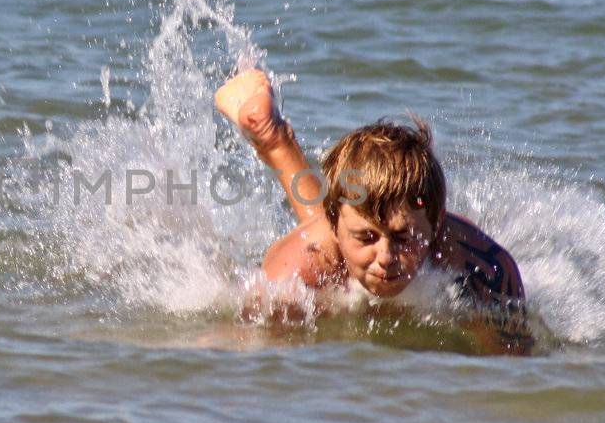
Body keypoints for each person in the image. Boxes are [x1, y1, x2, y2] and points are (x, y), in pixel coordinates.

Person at [214, 68, 532, 354]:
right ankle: (272, 138)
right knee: (321, 238)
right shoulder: (290, 277)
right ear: (336, 227)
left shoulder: (485, 269)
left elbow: (514, 367)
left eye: (403, 237)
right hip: (326, 246)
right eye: (367, 238)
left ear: (435, 223)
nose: (386, 257)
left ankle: (273, 136)